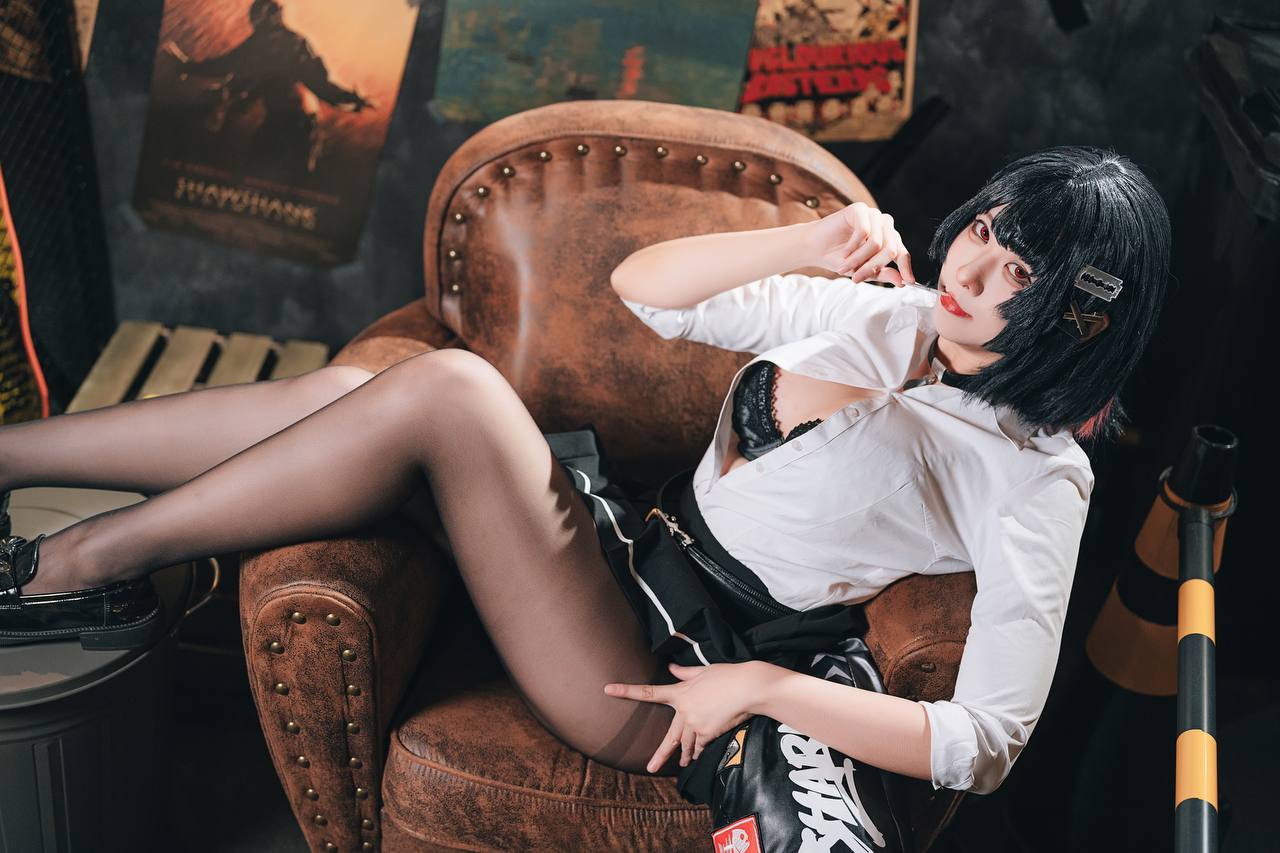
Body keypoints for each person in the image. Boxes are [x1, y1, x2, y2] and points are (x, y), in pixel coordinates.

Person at [0, 146, 1170, 802]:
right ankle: (11, 452)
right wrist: (811, 240)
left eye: (1020, 274)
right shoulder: (883, 312)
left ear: (1075, 319)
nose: (974, 270)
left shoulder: (1033, 474)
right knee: (358, 389)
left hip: (663, 676)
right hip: (628, 553)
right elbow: (645, 292)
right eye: (986, 230)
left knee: (451, 390)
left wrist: (761, 692)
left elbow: (984, 741)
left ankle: (71, 565)